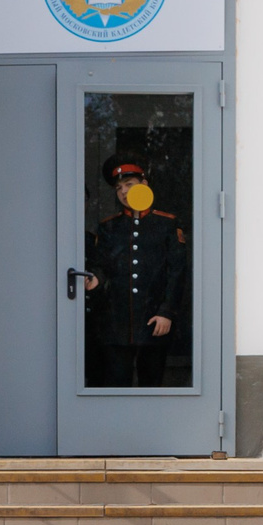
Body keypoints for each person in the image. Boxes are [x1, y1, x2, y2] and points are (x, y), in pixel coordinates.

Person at [84, 153, 188, 388]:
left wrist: (167, 312)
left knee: (151, 382)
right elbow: (103, 265)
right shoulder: (109, 227)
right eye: (118, 187)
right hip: (116, 322)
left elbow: (177, 273)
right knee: (116, 382)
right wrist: (96, 278)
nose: (123, 191)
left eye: (129, 184)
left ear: (144, 184)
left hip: (155, 320)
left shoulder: (167, 224)